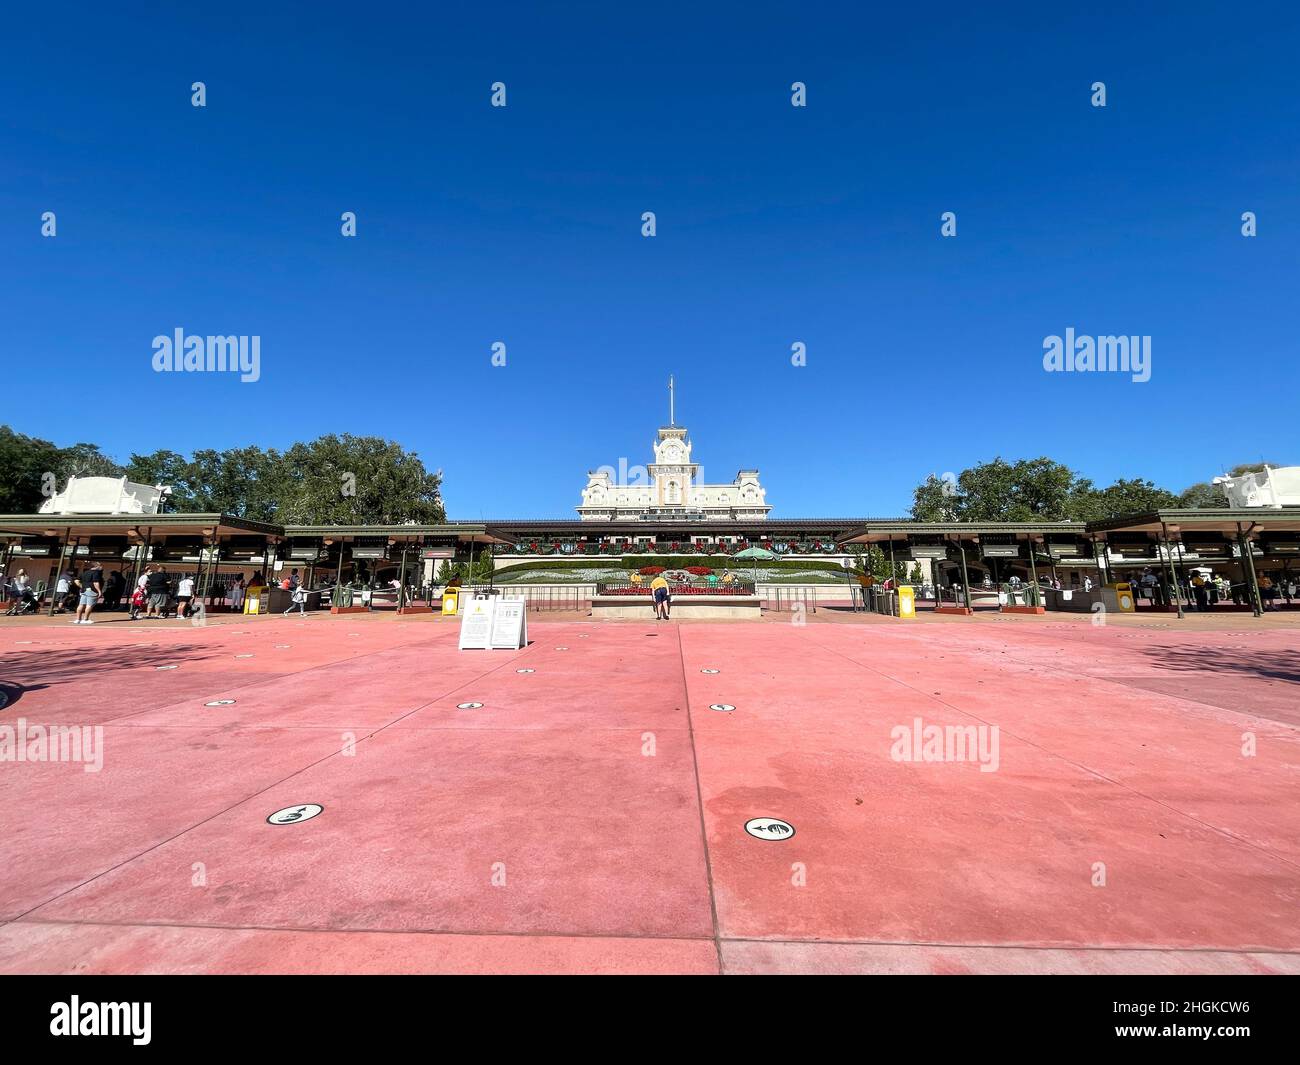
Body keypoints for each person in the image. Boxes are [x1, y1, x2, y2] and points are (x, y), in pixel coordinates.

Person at [74, 560, 104, 624]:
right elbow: (96, 582)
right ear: (96, 566)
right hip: (92, 590)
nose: (101, 567)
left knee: (81, 604)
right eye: (100, 565)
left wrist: (82, 586)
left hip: (84, 590)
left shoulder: (84, 572)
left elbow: (76, 581)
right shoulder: (96, 573)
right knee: (89, 605)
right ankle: (86, 619)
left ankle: (78, 619)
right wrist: (99, 591)